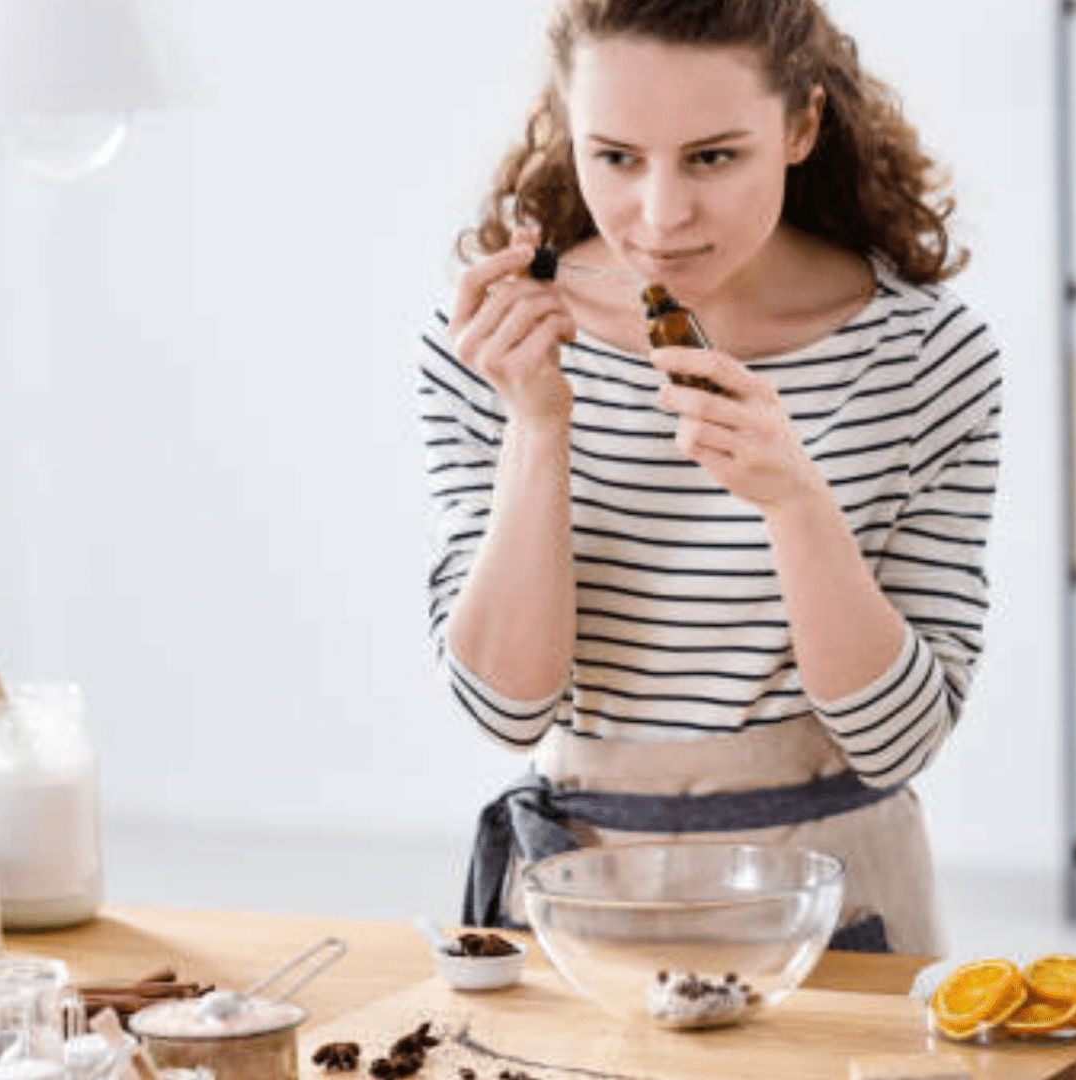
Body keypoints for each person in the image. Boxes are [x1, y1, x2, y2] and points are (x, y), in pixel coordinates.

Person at [417, 0, 1001, 955]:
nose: (661, 215)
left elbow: (898, 743)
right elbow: (504, 708)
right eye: (614, 156)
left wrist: (794, 500)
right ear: (570, 133)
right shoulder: (490, 343)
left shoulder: (927, 354)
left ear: (801, 127)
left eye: (713, 157)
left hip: (833, 911)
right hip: (577, 906)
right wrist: (538, 424)